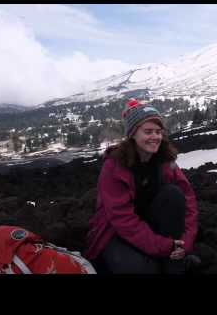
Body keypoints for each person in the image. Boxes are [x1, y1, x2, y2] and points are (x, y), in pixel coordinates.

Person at [83, 98, 198, 274]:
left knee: (173, 194)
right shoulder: (115, 166)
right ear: (133, 134)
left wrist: (186, 242)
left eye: (159, 132)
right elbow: (122, 220)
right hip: (116, 232)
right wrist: (163, 246)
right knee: (142, 269)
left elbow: (188, 198)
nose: (155, 137)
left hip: (150, 224)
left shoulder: (164, 161)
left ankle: (175, 263)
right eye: (148, 131)